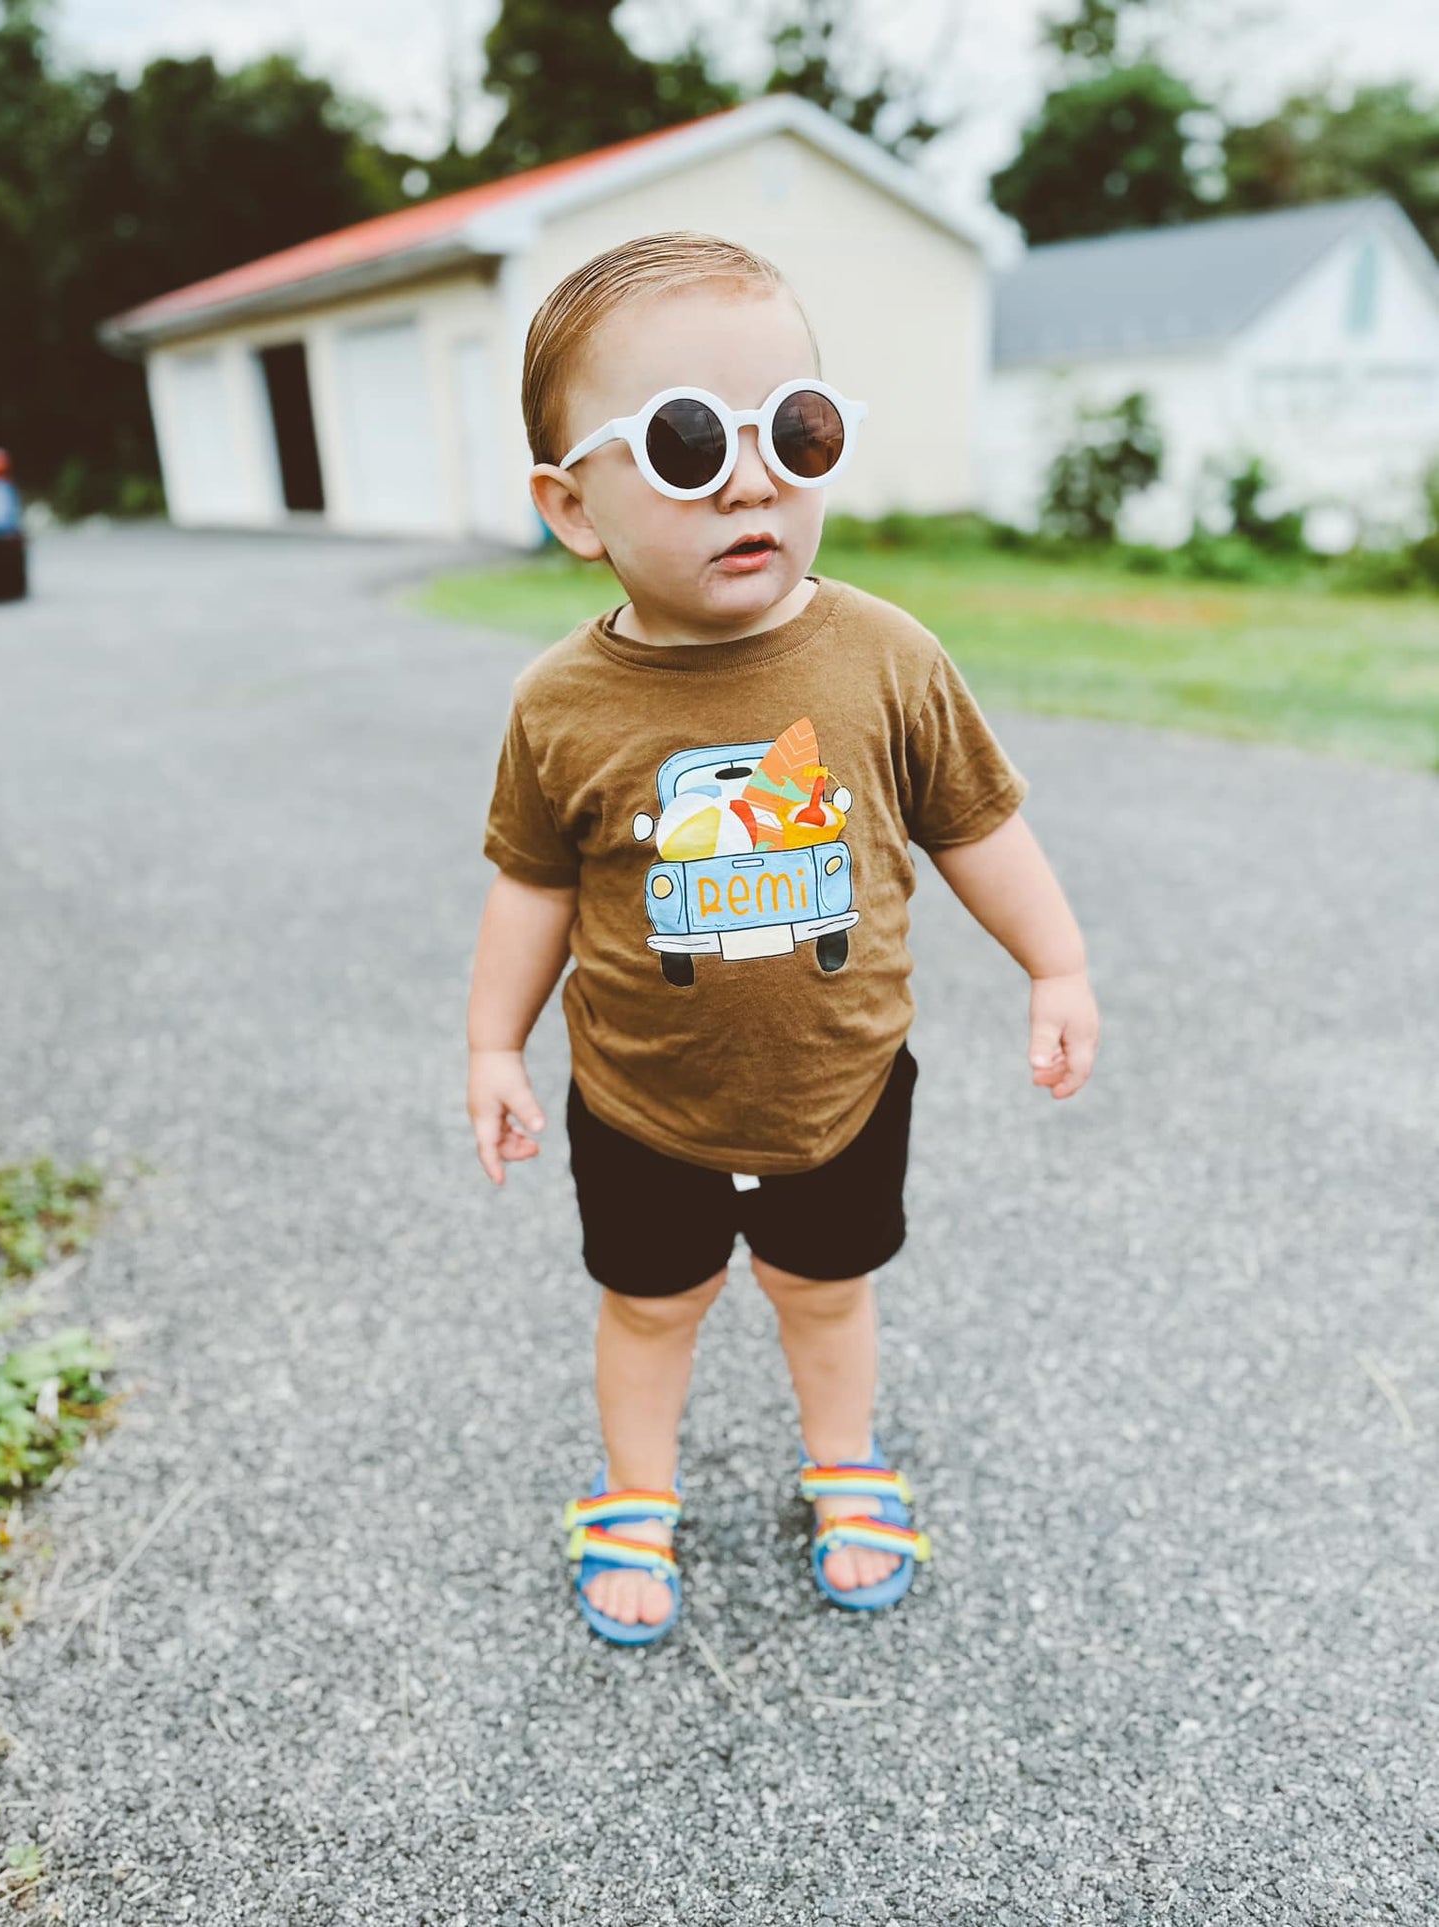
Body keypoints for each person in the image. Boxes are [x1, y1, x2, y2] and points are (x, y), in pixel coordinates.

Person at [466, 230, 1100, 1645]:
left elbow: (974, 826)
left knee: (825, 1291)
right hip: (640, 1098)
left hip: (843, 1079)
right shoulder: (559, 704)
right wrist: (490, 1042)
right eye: (685, 444)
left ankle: (845, 1461)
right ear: (572, 509)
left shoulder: (884, 657)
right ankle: (636, 1490)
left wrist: (1053, 963)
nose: (750, 475)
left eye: (792, 431)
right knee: (652, 1305)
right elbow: (531, 884)